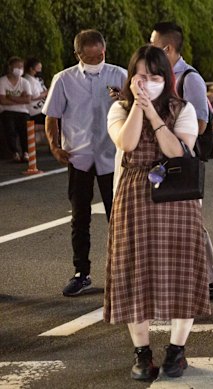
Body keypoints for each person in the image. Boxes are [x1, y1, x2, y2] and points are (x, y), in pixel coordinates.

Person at [105, 45, 210, 380]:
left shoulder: (185, 109)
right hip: (134, 197)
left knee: (181, 272)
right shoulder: (119, 109)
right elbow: (127, 143)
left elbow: (177, 153)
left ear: (167, 78)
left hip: (176, 198)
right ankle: (142, 353)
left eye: (154, 76)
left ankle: (177, 351)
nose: (147, 82)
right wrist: (139, 106)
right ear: (130, 77)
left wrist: (154, 114)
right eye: (140, 75)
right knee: (135, 273)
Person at [43, 29, 127, 296]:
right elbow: (52, 116)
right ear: (78, 54)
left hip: (112, 156)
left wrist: (126, 99)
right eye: (90, 57)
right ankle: (81, 272)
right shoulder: (64, 79)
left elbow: (137, 108)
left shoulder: (120, 75)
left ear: (105, 50)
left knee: (119, 218)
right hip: (78, 156)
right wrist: (54, 147)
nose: (97, 60)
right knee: (80, 218)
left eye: (100, 55)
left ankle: (123, 272)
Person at [150, 21, 213, 300]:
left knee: (190, 223)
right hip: (158, 161)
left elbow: (202, 124)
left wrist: (165, 126)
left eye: (153, 44)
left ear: (167, 48)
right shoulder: (156, 76)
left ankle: (212, 279)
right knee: (164, 222)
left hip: (183, 161)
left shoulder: (189, 78)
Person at [0, 56, 32, 162]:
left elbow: (28, 100)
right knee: (10, 129)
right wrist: (20, 98)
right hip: (6, 111)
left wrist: (11, 97)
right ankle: (15, 152)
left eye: (21, 67)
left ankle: (26, 152)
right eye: (17, 66)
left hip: (23, 111)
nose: (20, 69)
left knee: (25, 129)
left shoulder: (25, 82)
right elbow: (2, 101)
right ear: (10, 67)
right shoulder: (3, 81)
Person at [24, 58, 48, 130]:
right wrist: (48, 92)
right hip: (36, 112)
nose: (40, 70)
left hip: (42, 109)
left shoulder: (36, 79)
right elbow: (35, 96)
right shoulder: (28, 81)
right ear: (31, 69)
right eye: (38, 68)